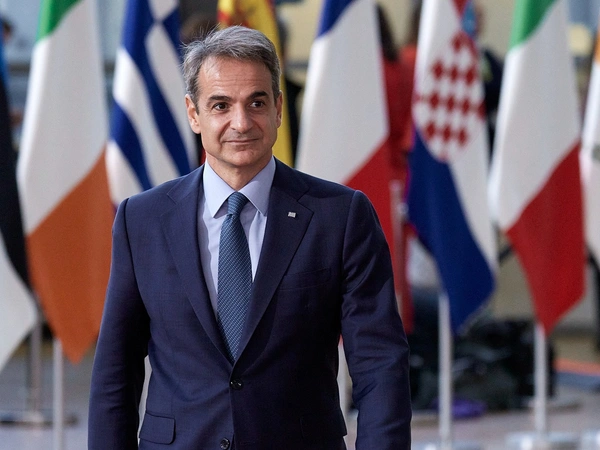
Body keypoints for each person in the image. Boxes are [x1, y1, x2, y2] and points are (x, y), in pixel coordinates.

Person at [88, 26, 411, 449]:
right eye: (220, 105)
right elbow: (116, 370)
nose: (241, 123)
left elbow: (380, 366)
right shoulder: (142, 220)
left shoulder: (340, 216)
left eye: (256, 103)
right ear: (193, 114)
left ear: (278, 108)